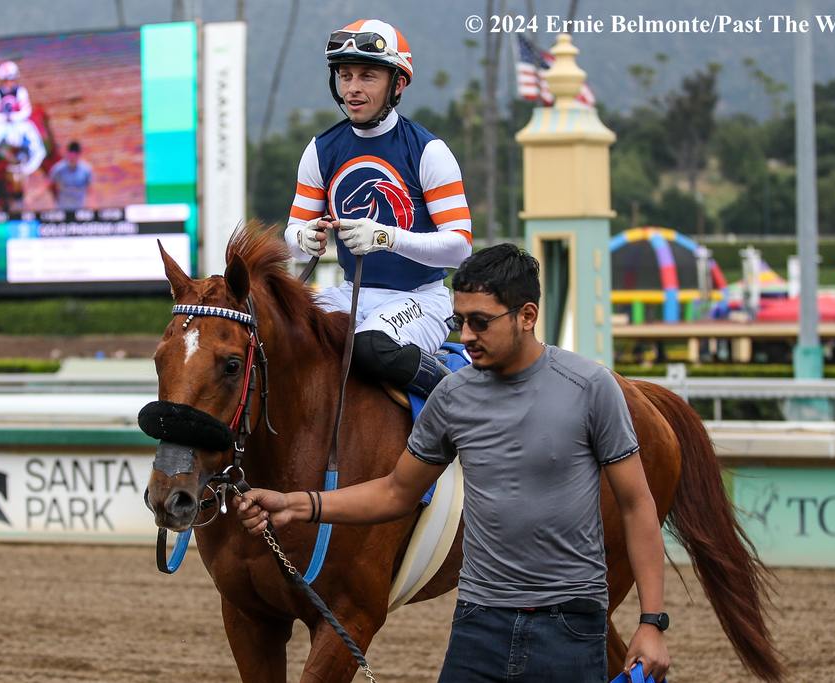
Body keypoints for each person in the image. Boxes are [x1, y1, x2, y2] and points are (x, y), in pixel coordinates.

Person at [238, 244, 671, 683]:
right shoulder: (451, 395)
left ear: (526, 316)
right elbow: (395, 492)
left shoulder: (592, 388)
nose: (465, 336)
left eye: (480, 323)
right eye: (460, 321)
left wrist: (652, 622)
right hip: (477, 627)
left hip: (569, 628)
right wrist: (298, 504)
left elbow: (637, 506)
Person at [284, 19, 472, 398]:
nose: (352, 88)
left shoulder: (428, 151)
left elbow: (460, 246)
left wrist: (386, 237)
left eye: (367, 76)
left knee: (369, 347)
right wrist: (305, 236)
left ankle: (461, 398)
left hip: (419, 298)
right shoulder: (321, 149)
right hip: (349, 290)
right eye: (345, 75)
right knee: (277, 330)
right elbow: (290, 238)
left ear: (397, 84)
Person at [0, 61, 33, 149]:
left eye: (12, 79)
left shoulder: (21, 91)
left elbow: (26, 112)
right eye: (6, 80)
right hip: (2, 123)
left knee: (29, 141)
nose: (10, 82)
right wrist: (5, 118)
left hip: (19, 123)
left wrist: (12, 117)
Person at [48, 141, 93, 209]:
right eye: (70, 155)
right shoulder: (59, 169)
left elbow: (89, 189)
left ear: (79, 155)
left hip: (79, 207)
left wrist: (90, 206)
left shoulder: (86, 169)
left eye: (74, 156)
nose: (72, 158)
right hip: (62, 207)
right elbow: (48, 183)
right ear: (67, 154)